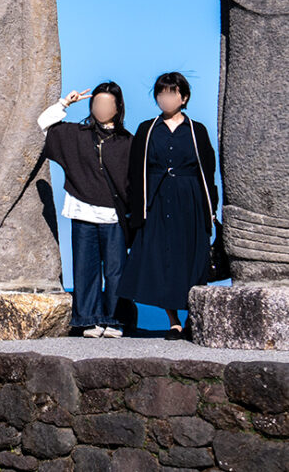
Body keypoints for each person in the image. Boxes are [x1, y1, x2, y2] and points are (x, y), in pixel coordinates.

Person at [117, 73, 219, 340]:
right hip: (156, 199)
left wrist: (212, 207)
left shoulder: (197, 130)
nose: (166, 98)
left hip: (190, 199)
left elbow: (207, 169)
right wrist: (136, 207)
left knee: (191, 257)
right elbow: (134, 170)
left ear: (183, 97)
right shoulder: (146, 128)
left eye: (172, 93)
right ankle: (173, 321)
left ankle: (194, 317)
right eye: (161, 94)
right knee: (161, 258)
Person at [37, 81, 133, 338]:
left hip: (114, 215)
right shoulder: (77, 133)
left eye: (107, 104)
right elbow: (44, 123)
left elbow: (134, 182)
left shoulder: (127, 141)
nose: (102, 108)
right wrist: (65, 103)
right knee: (85, 269)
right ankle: (88, 320)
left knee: (116, 271)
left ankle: (114, 320)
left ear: (117, 107)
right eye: (97, 103)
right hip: (81, 211)